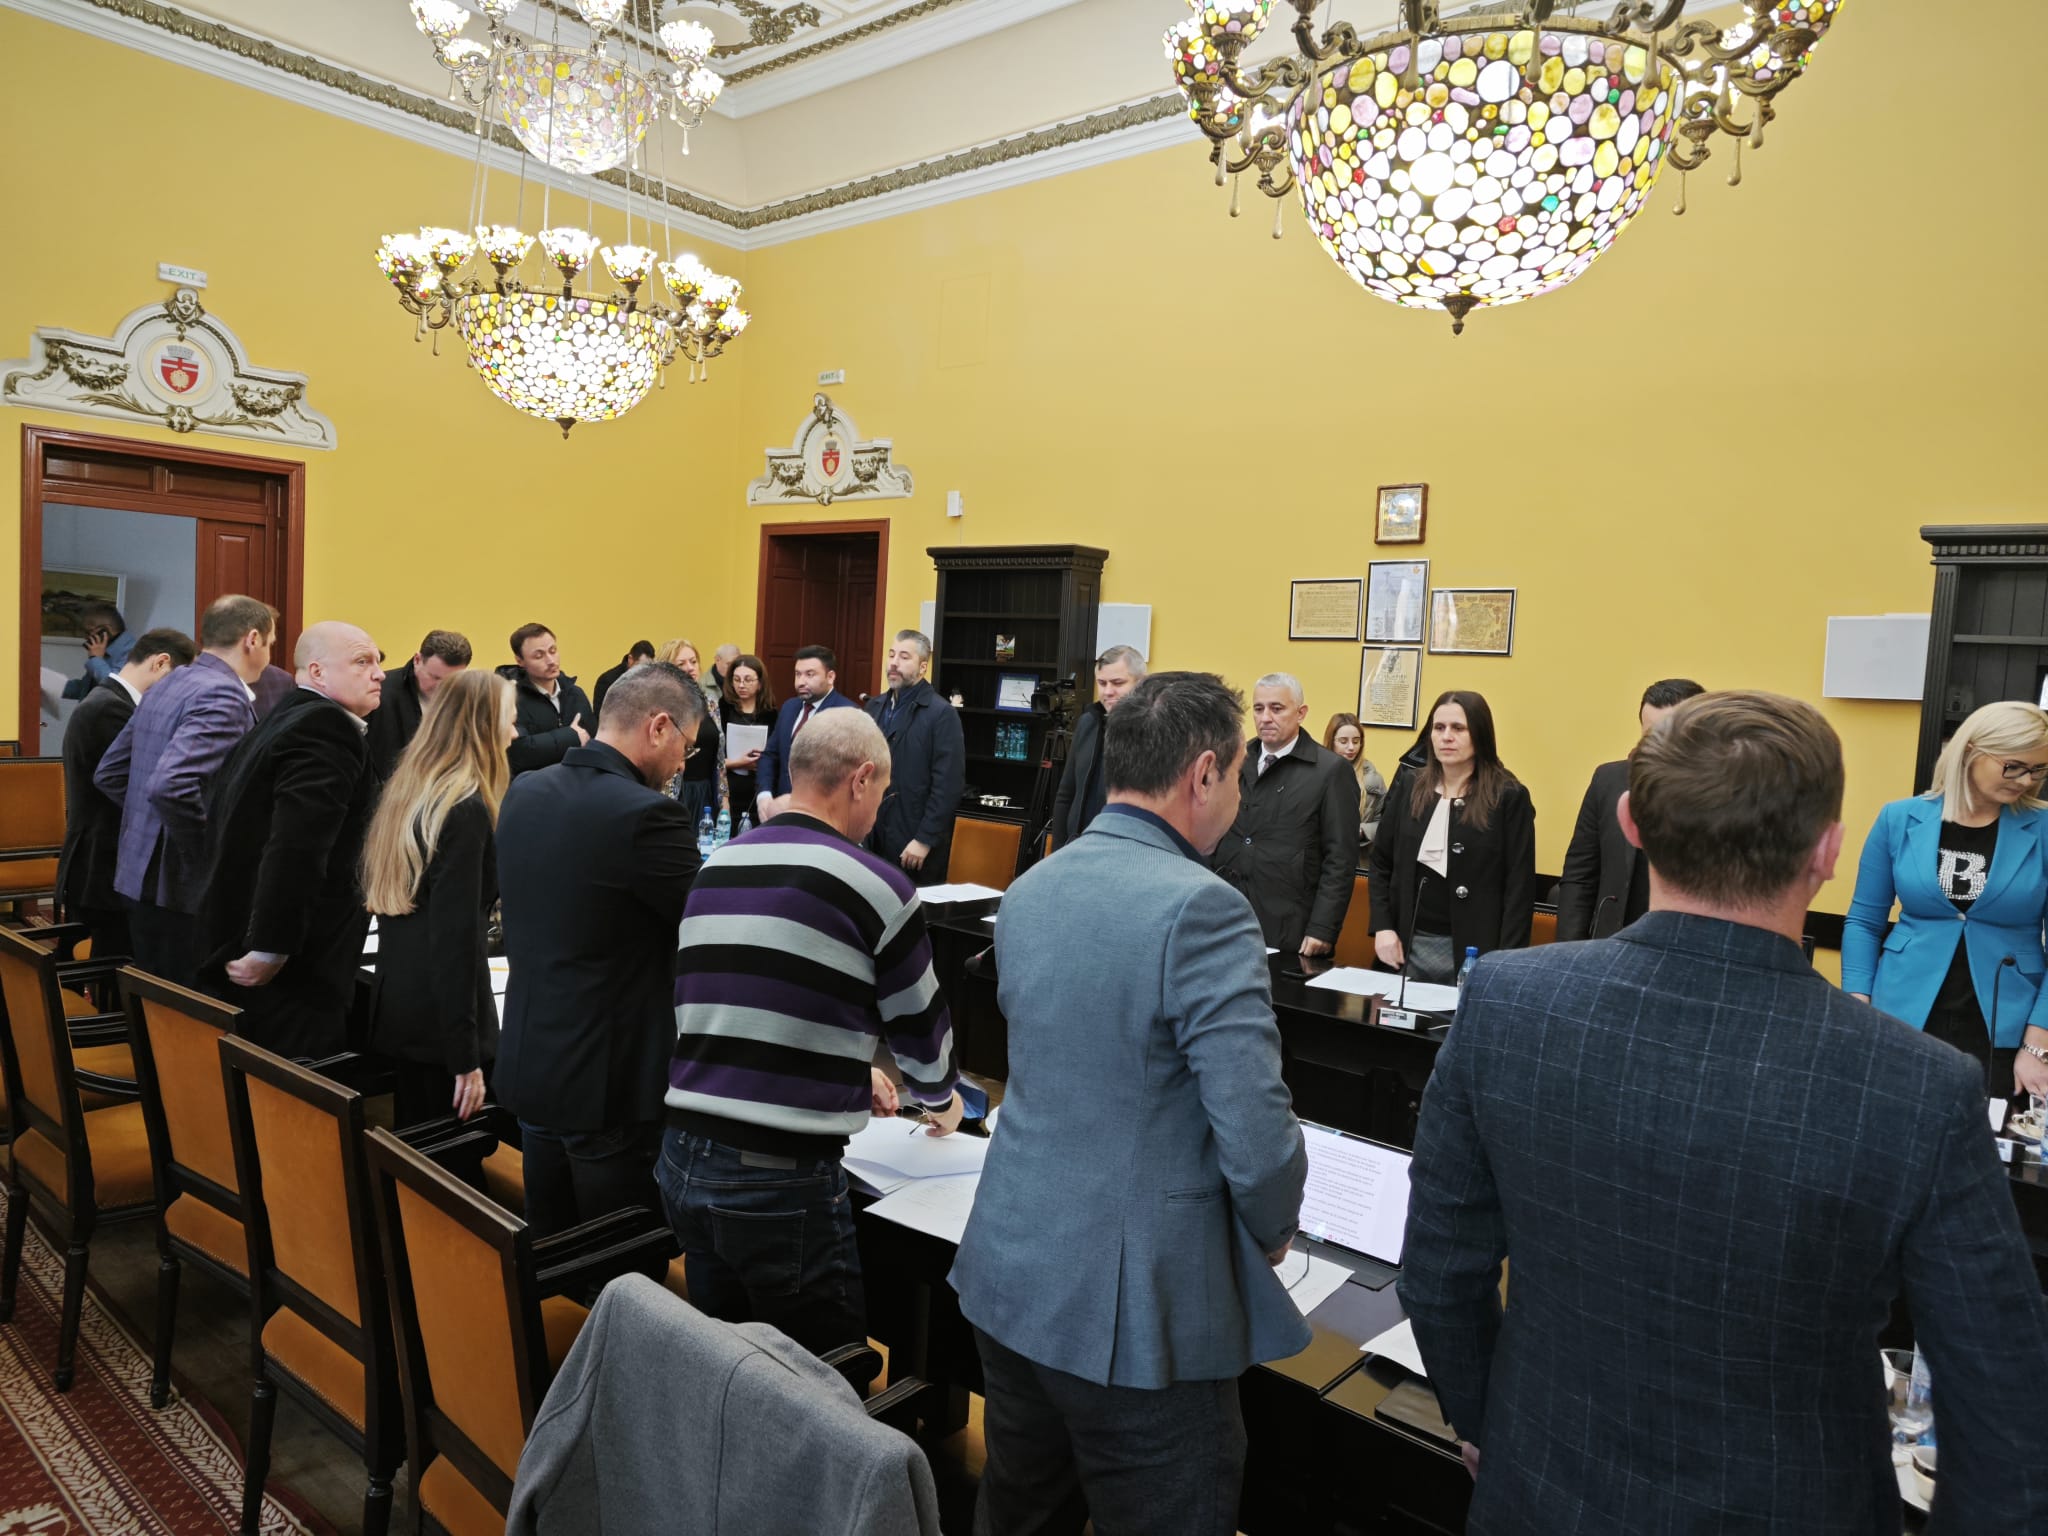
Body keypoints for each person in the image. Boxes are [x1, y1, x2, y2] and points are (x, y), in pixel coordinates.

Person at [1399, 690, 2048, 1534]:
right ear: (1829, 851)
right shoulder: (1920, 1084)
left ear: (1632, 825)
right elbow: (2004, 1406)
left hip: (1543, 1482)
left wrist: (1490, 1424)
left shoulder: (1508, 1004)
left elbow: (1439, 1275)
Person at [952, 672, 1308, 1536]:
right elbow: (1257, 1133)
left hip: (1012, 1266)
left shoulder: (1032, 888)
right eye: (1235, 777)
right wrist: (1273, 1225)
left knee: (1020, 1509)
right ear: (1205, 773)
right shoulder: (1204, 908)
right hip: (1135, 1308)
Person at [661, 709, 962, 1366]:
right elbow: (921, 1040)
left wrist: (847, 1071)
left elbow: (723, 1007)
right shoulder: (877, 885)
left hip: (682, 1158)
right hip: (779, 1180)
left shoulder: (720, 864)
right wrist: (944, 1101)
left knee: (725, 1368)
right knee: (816, 1386)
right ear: (861, 780)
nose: (877, 813)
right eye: (882, 795)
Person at [494, 661, 702, 1237]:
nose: (684, 763)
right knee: (622, 1264)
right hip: (609, 1083)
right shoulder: (649, 815)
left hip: (534, 1064)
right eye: (686, 745)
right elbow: (707, 932)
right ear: (658, 727)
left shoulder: (526, 790)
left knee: (552, 1250)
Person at [194, 622, 385, 1059]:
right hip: (298, 964)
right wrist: (271, 946)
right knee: (291, 1084)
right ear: (317, 672)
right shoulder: (325, 728)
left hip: (241, 931)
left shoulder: (287, 715)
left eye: (378, 662)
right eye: (362, 662)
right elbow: (297, 846)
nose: (379, 673)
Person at [1842, 699, 2048, 1101]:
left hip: (2007, 1022)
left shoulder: (2043, 828)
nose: (2026, 780)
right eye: (2014, 766)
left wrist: (2037, 1045)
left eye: (2038, 769)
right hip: (1902, 1010)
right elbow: (1864, 922)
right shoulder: (1898, 818)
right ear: (1970, 751)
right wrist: (1857, 1002)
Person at [94, 594, 275, 985]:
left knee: (156, 1005)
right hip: (183, 888)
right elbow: (170, 786)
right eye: (270, 643)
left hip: (137, 876)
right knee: (190, 1010)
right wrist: (209, 853)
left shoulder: (171, 681)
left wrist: (152, 823)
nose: (268, 655)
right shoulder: (222, 693)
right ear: (252, 639)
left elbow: (110, 773)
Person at [362, 670, 516, 1128]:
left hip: (403, 1003)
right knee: (447, 1157)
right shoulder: (465, 809)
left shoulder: (413, 791)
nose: (514, 733)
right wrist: (464, 1057)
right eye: (509, 720)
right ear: (483, 728)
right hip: (443, 1024)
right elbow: (456, 938)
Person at [1368, 690, 1535, 983]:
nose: (1446, 737)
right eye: (1439, 728)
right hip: (1404, 946)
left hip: (1476, 952)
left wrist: (1504, 965)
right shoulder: (1410, 785)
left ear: (1480, 734)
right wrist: (1383, 927)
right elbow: (1381, 862)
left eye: (1458, 728)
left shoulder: (1508, 796)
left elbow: (1519, 890)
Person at [57, 627, 195, 958]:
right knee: (111, 963)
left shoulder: (108, 701)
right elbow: (131, 788)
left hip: (100, 858)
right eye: (180, 681)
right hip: (101, 861)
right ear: (160, 663)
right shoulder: (111, 709)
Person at [1208, 673, 1358, 956]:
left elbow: (1340, 859)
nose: (1265, 718)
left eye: (1276, 709)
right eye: (1258, 708)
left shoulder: (1330, 771)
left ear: (1301, 713)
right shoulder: (1234, 759)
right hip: (1226, 914)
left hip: (1291, 924)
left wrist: (1323, 928)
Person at [1555, 678, 1705, 942]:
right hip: (1612, 941)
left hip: (1687, 944)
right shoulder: (1609, 780)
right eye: (1652, 735)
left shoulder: (1724, 793)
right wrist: (1570, 949)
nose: (1662, 744)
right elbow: (1580, 875)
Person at [864, 628, 965, 883]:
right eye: (891, 655)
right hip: (871, 834)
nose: (894, 663)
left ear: (922, 667)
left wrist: (924, 839)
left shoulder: (941, 714)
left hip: (913, 839)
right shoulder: (874, 707)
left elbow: (948, 784)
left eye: (904, 657)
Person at [1048, 645, 1145, 851]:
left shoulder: (1153, 730)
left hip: (1123, 850)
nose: (1108, 691)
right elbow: (1066, 794)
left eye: (1118, 683)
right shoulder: (1088, 722)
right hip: (1076, 846)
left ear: (1140, 682)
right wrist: (1058, 850)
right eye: (1102, 683)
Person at [753, 644, 855, 822]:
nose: (801, 682)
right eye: (797, 674)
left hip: (823, 815)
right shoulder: (789, 707)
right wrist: (764, 795)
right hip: (783, 810)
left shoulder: (846, 713)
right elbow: (770, 755)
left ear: (830, 677)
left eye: (810, 674)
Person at [365, 628, 472, 781]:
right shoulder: (378, 692)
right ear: (417, 660)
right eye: (435, 677)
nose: (441, 687)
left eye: (451, 680)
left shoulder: (469, 699)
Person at [504, 623, 594, 778]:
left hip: (579, 782)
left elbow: (592, 739)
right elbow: (518, 754)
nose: (551, 660)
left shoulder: (575, 694)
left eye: (553, 651)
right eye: (539, 656)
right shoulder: (511, 699)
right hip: (535, 786)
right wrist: (571, 736)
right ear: (520, 661)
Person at [655, 638, 723, 828]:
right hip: (672, 793)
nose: (690, 668)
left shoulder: (710, 703)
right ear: (667, 668)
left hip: (706, 792)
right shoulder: (659, 704)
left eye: (693, 662)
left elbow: (720, 757)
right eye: (681, 663)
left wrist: (724, 798)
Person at [720, 653, 774, 827]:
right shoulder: (722, 709)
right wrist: (738, 763)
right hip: (728, 787)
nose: (741, 685)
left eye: (748, 680)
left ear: (760, 683)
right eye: (736, 679)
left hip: (758, 787)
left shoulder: (771, 713)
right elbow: (712, 756)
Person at [1322, 711, 1388, 844]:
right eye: (1343, 741)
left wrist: (1362, 831)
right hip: (1321, 850)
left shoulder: (1374, 779)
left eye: (1356, 741)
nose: (1351, 747)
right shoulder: (1316, 773)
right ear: (1331, 741)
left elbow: (1385, 823)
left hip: (1358, 851)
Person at [60, 601, 135, 700]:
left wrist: (95, 658)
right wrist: (50, 685)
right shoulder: (104, 651)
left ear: (105, 631)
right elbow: (87, 689)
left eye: (88, 632)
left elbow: (114, 687)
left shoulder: (133, 653)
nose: (85, 637)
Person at [591, 640, 655, 720]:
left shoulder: (651, 682)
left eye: (649, 668)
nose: (645, 672)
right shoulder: (607, 681)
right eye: (641, 667)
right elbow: (601, 719)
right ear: (630, 659)